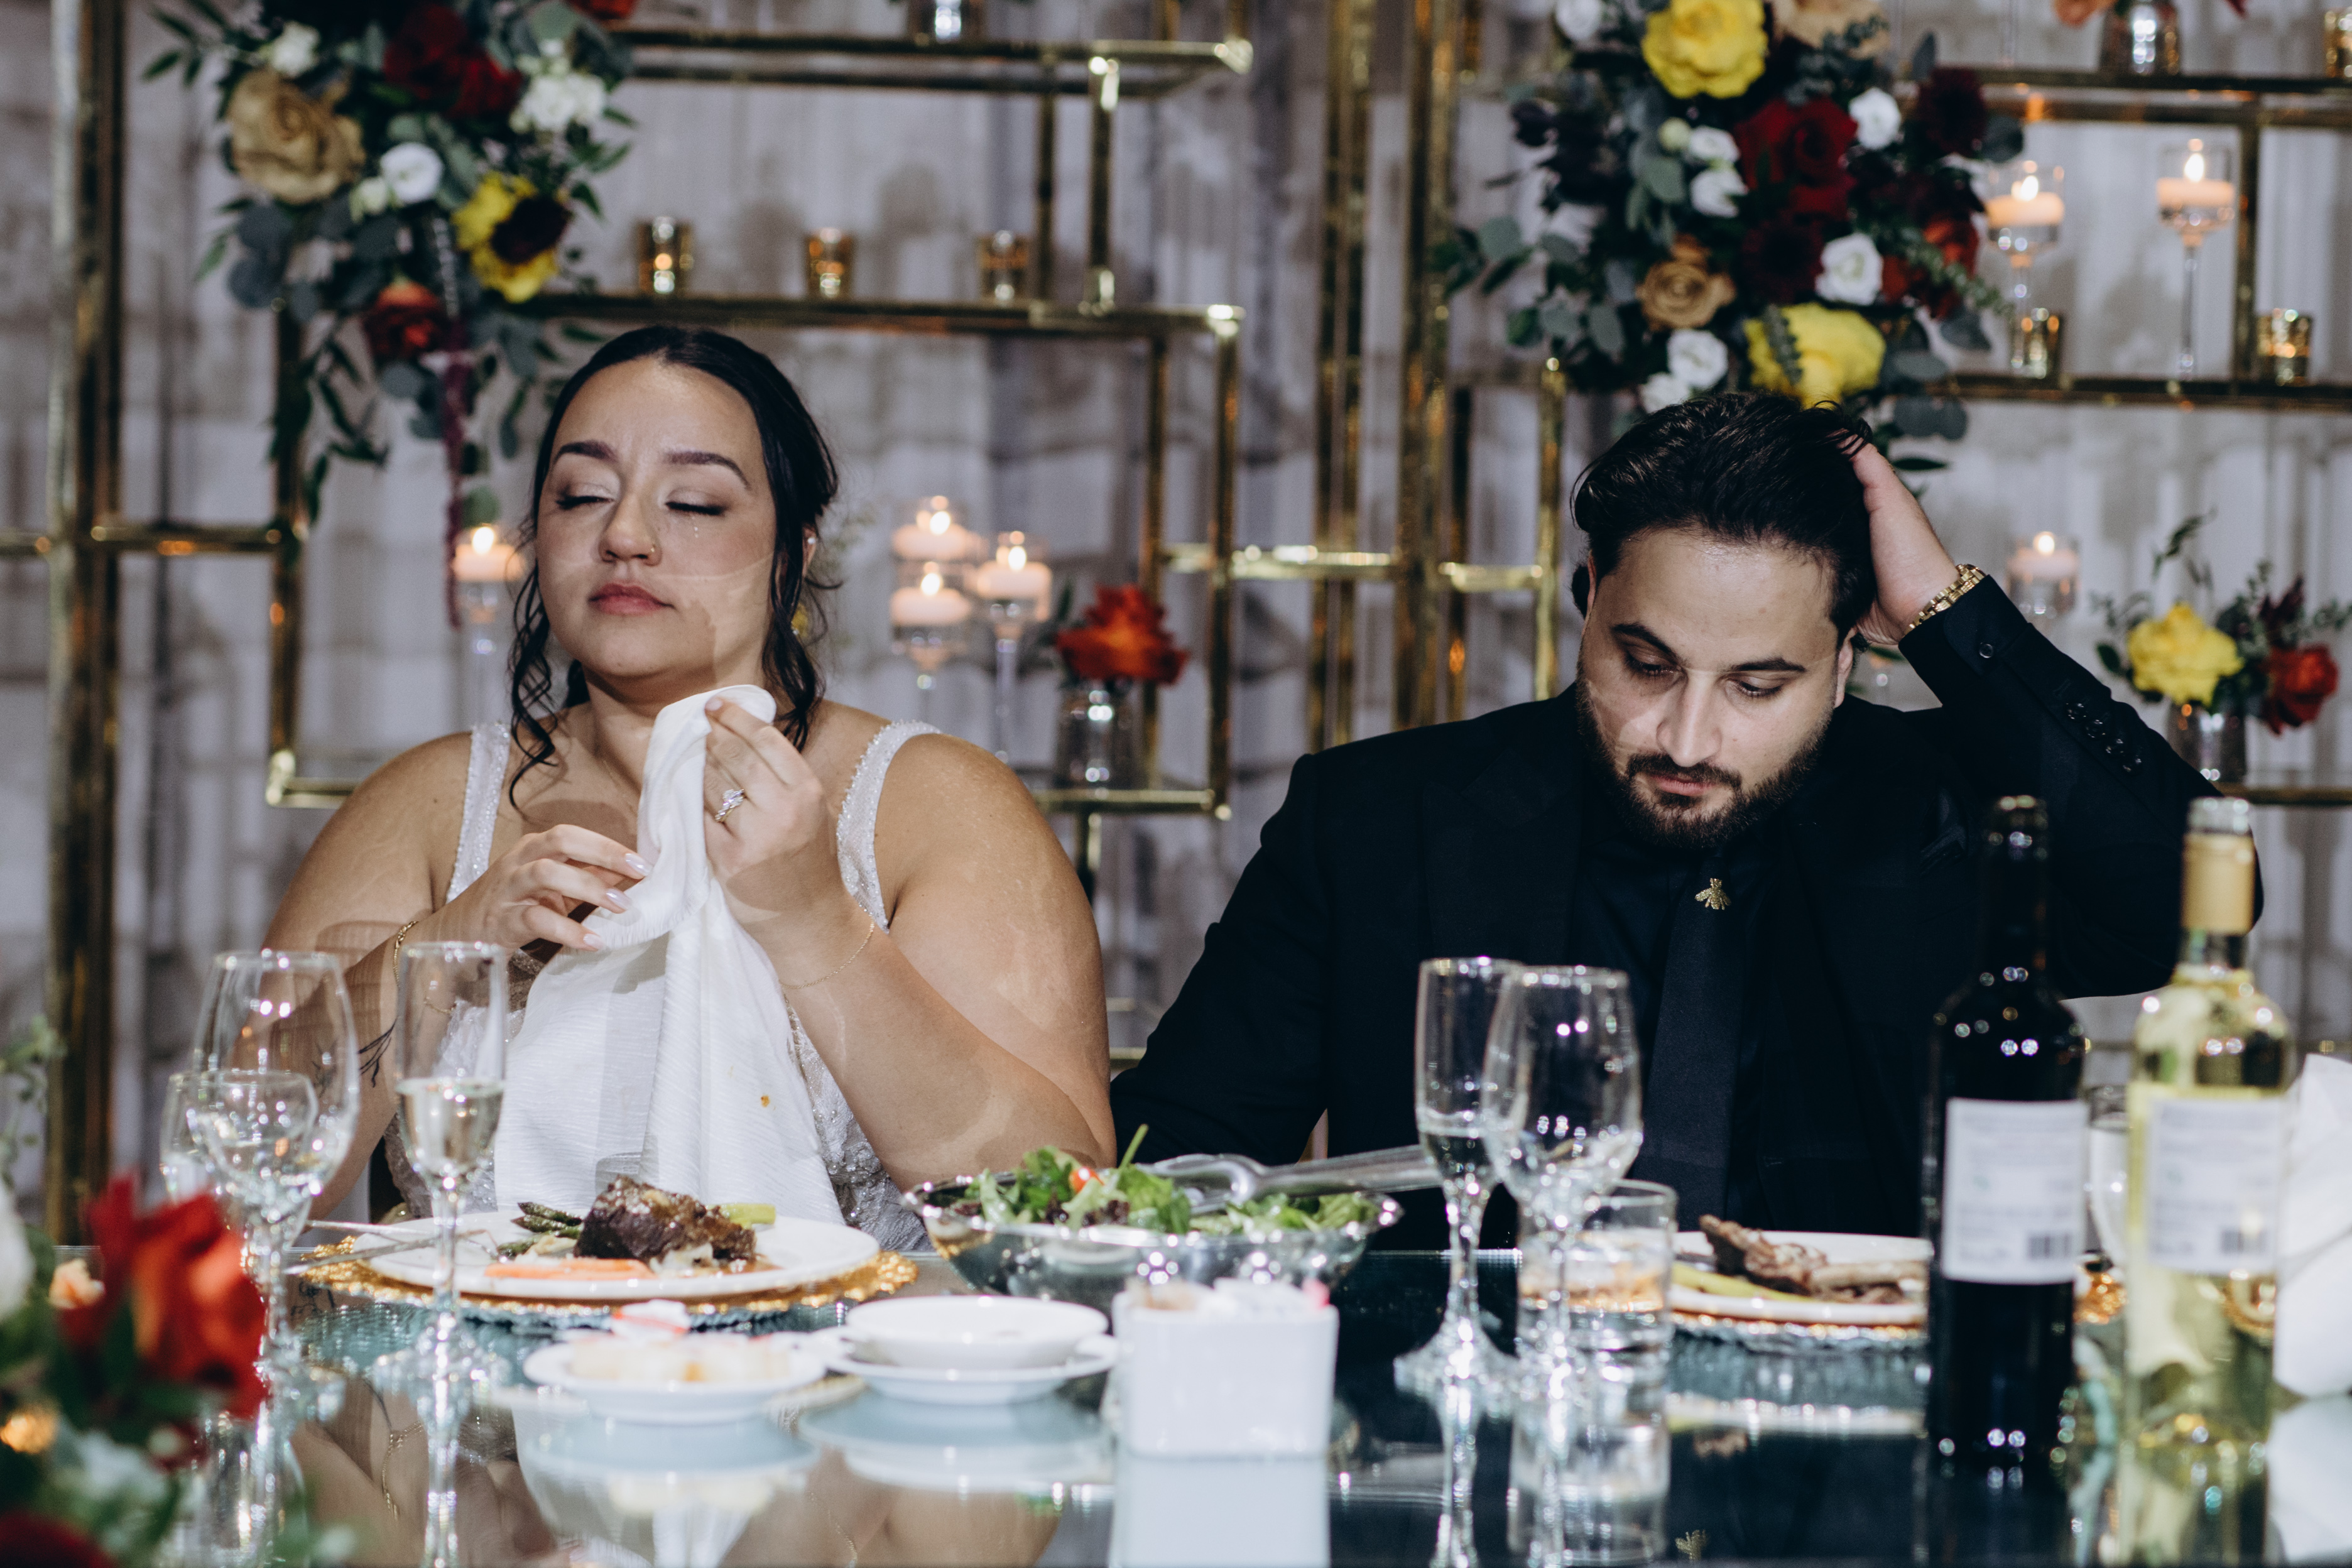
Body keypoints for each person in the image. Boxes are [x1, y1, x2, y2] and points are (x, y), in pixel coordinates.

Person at [1111, 393, 2227, 1244]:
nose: (1689, 739)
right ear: (1589, 599)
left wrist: (1946, 613)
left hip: (1856, 1445)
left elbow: (2190, 896)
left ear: (1846, 661)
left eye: (1757, 686)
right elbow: (1176, 1164)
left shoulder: (1938, 810)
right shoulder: (1376, 820)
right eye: (1647, 665)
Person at [270, 325, 1113, 1250]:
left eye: (695, 504)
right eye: (582, 495)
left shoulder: (934, 805)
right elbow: (246, 1171)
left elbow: (1061, 1217)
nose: (624, 537)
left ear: (792, 552)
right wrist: (450, 940)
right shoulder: (430, 805)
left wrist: (817, 926)